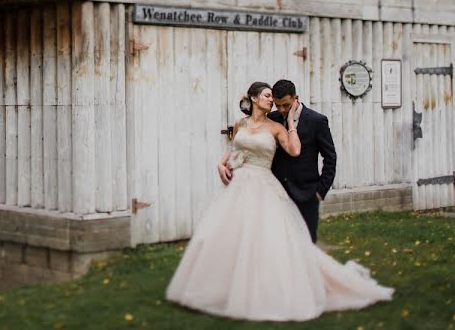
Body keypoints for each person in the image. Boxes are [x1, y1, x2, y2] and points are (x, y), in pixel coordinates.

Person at [165, 82, 393, 322]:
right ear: (253, 98)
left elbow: (299, 152)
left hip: (282, 189)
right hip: (241, 188)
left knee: (298, 246)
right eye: (268, 97)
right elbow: (233, 145)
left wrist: (319, 188)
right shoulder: (242, 123)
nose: (274, 104)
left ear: (295, 99)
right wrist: (221, 164)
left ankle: (306, 289)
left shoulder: (283, 125)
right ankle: (236, 289)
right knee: (236, 241)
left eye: (277, 101)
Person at [268, 78, 335, 243]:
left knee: (306, 243)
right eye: (278, 105)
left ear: (295, 98)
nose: (282, 110)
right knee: (280, 243)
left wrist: (320, 191)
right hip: (278, 194)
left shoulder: (316, 120)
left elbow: (330, 157)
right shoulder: (272, 119)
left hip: (307, 193)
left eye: (286, 105)